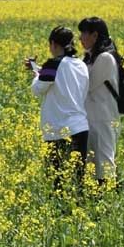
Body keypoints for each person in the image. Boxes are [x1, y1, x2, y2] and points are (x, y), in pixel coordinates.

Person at [24, 26, 89, 188]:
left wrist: (37, 74)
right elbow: (62, 79)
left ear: (53, 44)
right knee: (78, 179)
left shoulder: (53, 64)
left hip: (58, 130)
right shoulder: (80, 64)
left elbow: (38, 88)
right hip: (80, 128)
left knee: (57, 181)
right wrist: (39, 70)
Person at [78, 17, 121, 183]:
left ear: (95, 36)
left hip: (104, 118)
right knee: (92, 164)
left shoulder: (105, 58)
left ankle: (108, 199)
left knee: (105, 160)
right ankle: (96, 198)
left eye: (83, 34)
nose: (80, 38)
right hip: (91, 118)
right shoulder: (89, 57)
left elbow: (86, 85)